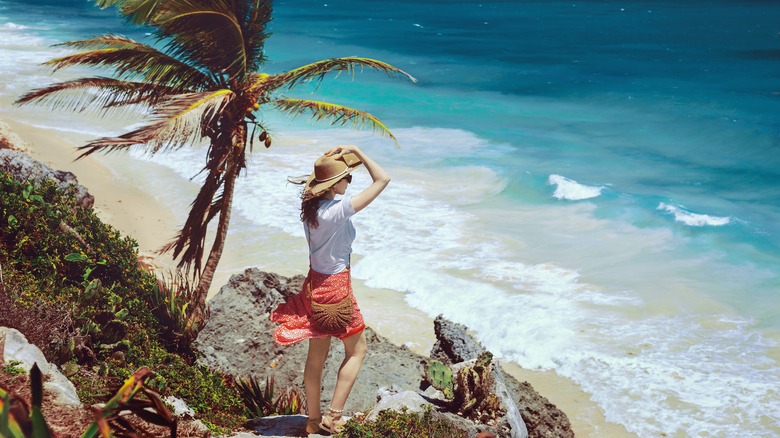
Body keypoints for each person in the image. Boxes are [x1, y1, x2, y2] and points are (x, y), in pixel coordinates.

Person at [270, 144, 390, 435]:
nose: (349, 182)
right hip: (335, 289)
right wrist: (359, 151)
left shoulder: (311, 208)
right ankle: (333, 417)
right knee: (358, 351)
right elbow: (383, 179)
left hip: (314, 285)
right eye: (347, 177)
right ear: (334, 183)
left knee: (316, 357)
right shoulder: (336, 211)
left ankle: (313, 420)